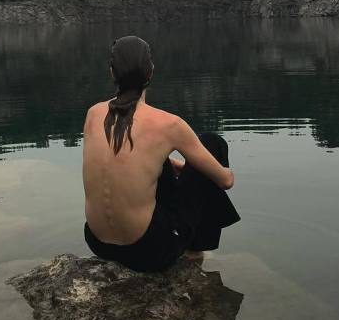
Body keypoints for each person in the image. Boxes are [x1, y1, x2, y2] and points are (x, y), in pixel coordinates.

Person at [82, 35, 240, 273]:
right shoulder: (168, 125)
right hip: (150, 252)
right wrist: (196, 171)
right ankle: (196, 248)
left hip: (98, 243)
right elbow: (226, 181)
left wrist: (168, 163)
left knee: (162, 159)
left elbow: (121, 160)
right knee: (212, 142)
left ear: (112, 73)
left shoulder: (93, 114)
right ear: (151, 72)